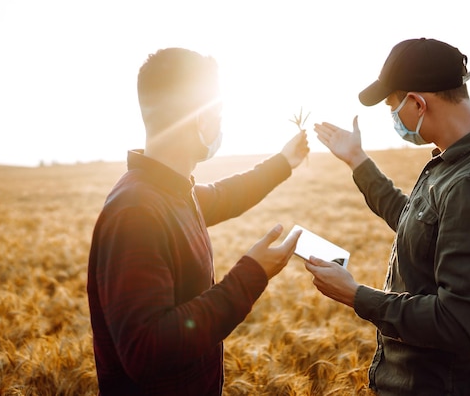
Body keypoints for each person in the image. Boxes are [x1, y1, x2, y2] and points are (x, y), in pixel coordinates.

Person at [308, 38, 470, 395]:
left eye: (392, 107)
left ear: (417, 103)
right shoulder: (455, 161)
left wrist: (356, 295)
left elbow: (460, 325)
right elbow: (415, 221)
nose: (393, 117)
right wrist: (357, 161)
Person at [87, 47, 309, 395]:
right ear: (198, 118)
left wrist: (284, 162)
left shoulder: (171, 191)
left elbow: (225, 195)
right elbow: (147, 351)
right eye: (217, 111)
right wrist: (252, 274)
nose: (221, 122)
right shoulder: (137, 212)